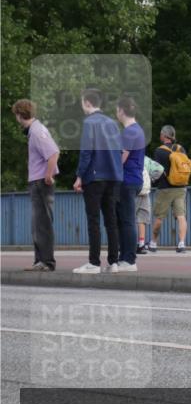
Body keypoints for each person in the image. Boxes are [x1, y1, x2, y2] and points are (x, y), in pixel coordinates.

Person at [72, 89, 123, 273]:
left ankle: (94, 263)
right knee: (111, 220)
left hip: (94, 177)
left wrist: (79, 176)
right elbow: (119, 150)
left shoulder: (89, 123)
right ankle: (114, 262)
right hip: (113, 176)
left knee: (93, 220)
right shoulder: (112, 123)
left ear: (87, 102)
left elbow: (87, 151)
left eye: (82, 103)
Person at [11, 99, 59, 271]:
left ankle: (47, 262)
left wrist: (48, 175)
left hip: (41, 183)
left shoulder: (37, 131)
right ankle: (40, 261)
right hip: (37, 182)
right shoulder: (34, 130)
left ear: (19, 114)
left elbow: (53, 153)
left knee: (42, 223)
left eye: (16, 114)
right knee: (37, 223)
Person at [114, 95, 145, 271]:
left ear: (121, 111)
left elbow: (120, 159)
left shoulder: (129, 132)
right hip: (133, 179)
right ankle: (124, 258)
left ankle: (129, 260)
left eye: (117, 110)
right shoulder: (137, 130)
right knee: (124, 220)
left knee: (126, 221)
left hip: (127, 180)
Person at [150, 125, 188, 253]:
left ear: (164, 135)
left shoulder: (159, 151)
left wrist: (153, 182)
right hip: (181, 187)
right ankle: (181, 243)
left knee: (159, 217)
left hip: (165, 188)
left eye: (161, 134)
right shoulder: (181, 149)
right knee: (181, 216)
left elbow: (157, 170)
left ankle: (153, 243)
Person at [135, 156, 157, 254]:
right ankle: (141, 244)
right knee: (142, 219)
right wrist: (152, 179)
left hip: (134, 190)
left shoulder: (126, 154)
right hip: (145, 190)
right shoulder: (145, 158)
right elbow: (159, 169)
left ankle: (127, 244)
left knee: (129, 218)